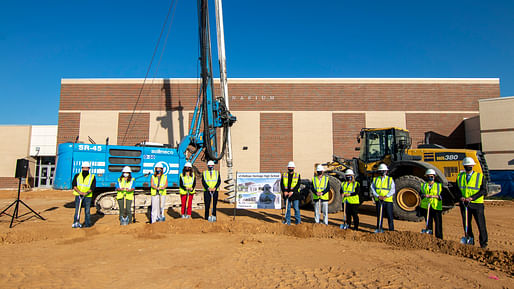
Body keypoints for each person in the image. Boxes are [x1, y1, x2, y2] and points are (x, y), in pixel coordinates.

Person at [458, 157, 488, 248]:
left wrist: (472, 198)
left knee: (481, 224)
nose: (468, 167)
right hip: (464, 204)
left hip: (477, 204)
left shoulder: (480, 176)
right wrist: (460, 197)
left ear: (472, 166)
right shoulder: (460, 176)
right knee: (466, 224)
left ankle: (483, 244)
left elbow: (484, 191)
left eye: (469, 165)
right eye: (466, 166)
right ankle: (469, 241)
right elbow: (457, 189)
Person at [371, 163, 395, 231]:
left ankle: (391, 230)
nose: (382, 172)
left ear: (386, 171)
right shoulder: (375, 179)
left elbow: (392, 190)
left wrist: (386, 196)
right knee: (379, 216)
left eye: (383, 170)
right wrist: (378, 196)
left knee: (389, 216)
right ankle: (379, 228)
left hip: (388, 201)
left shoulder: (390, 179)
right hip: (379, 200)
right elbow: (372, 188)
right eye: (381, 171)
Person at [420, 169, 443, 239]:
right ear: (426, 177)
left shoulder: (439, 186)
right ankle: (429, 238)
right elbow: (420, 194)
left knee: (438, 224)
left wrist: (434, 196)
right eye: (429, 176)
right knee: (428, 223)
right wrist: (424, 195)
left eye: (432, 176)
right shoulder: (423, 185)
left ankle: (439, 238)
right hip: (426, 207)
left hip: (436, 207)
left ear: (434, 177)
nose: (430, 178)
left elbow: (442, 196)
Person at [71, 161, 96, 228]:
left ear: (89, 169)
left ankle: (87, 224)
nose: (85, 169)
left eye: (86, 168)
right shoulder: (77, 175)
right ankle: (76, 222)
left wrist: (86, 193)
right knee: (77, 210)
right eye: (84, 168)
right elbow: (74, 185)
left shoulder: (92, 176)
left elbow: (93, 187)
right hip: (78, 196)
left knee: (87, 211)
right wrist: (80, 192)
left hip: (87, 196)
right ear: (82, 168)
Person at [281, 161, 301, 225]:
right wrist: (284, 191)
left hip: (295, 195)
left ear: (294, 168)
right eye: (289, 167)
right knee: (288, 209)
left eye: (292, 167)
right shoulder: (284, 175)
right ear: (287, 168)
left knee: (296, 208)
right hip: (286, 195)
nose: (290, 168)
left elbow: (298, 185)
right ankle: (287, 222)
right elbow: (282, 184)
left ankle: (298, 222)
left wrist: (292, 192)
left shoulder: (297, 175)